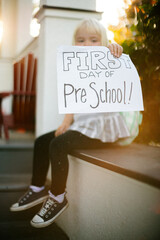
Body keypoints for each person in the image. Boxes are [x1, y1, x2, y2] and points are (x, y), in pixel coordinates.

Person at [10, 18, 141, 228]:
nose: (86, 45)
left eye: (93, 40)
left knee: (58, 145)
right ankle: (37, 189)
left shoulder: (108, 57)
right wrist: (66, 121)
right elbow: (71, 96)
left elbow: (118, 66)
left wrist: (114, 50)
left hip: (102, 129)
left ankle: (58, 197)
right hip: (83, 126)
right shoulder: (75, 66)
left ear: (104, 42)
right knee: (43, 141)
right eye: (80, 40)